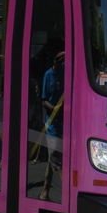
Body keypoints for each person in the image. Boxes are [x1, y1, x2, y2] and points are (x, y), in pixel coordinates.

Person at [39, 51, 65, 202]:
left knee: (54, 158)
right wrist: (54, 109)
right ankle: (50, 189)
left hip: (65, 121)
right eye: (61, 62)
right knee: (54, 156)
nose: (63, 65)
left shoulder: (66, 74)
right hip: (52, 122)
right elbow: (43, 100)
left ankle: (46, 189)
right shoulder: (48, 75)